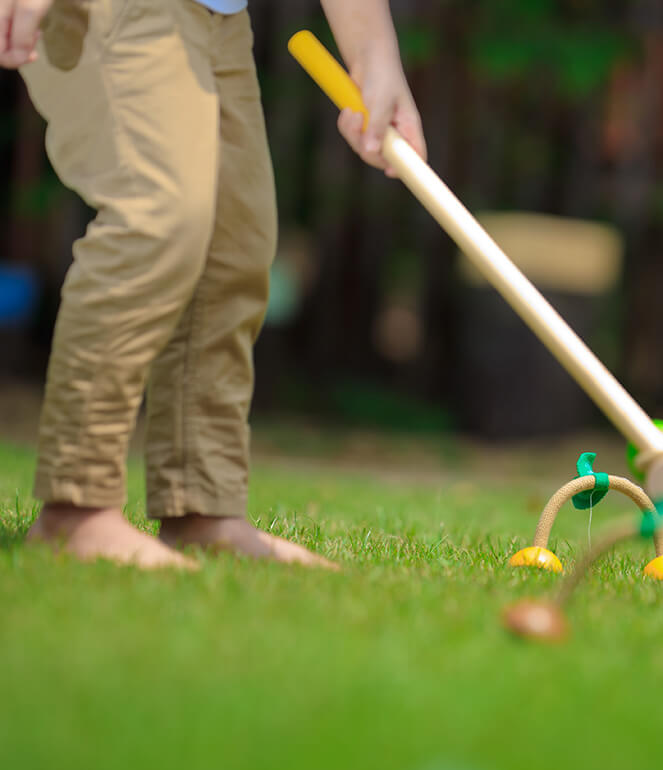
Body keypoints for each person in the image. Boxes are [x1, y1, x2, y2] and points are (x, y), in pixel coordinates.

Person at [0, 0, 426, 568]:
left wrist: (374, 56)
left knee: (235, 245)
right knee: (157, 216)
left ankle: (202, 506)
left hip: (218, 16)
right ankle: (75, 508)